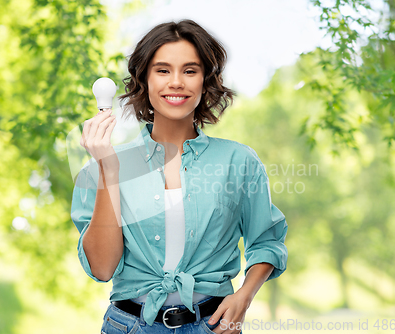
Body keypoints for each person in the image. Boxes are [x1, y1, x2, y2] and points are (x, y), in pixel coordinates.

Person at [71, 19, 288, 334]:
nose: (176, 82)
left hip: (214, 326)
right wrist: (109, 168)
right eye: (162, 70)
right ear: (144, 79)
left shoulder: (238, 161)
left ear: (205, 80)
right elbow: (103, 268)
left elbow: (267, 241)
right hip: (129, 326)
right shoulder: (101, 168)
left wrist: (244, 296)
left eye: (190, 70)